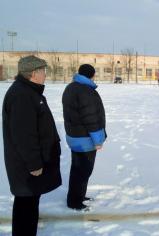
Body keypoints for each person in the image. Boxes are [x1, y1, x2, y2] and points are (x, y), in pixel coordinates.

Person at [2, 55, 62, 236]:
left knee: (28, 204)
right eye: (43, 71)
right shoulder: (22, 95)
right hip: (26, 167)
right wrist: (34, 164)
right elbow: (24, 135)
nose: (45, 74)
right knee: (25, 206)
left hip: (28, 165)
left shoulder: (29, 91)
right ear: (33, 73)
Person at [62, 64, 107, 210]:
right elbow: (91, 119)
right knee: (83, 171)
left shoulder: (71, 87)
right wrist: (98, 140)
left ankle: (78, 196)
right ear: (92, 75)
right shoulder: (86, 91)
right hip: (85, 140)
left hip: (74, 137)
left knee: (77, 170)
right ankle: (74, 202)